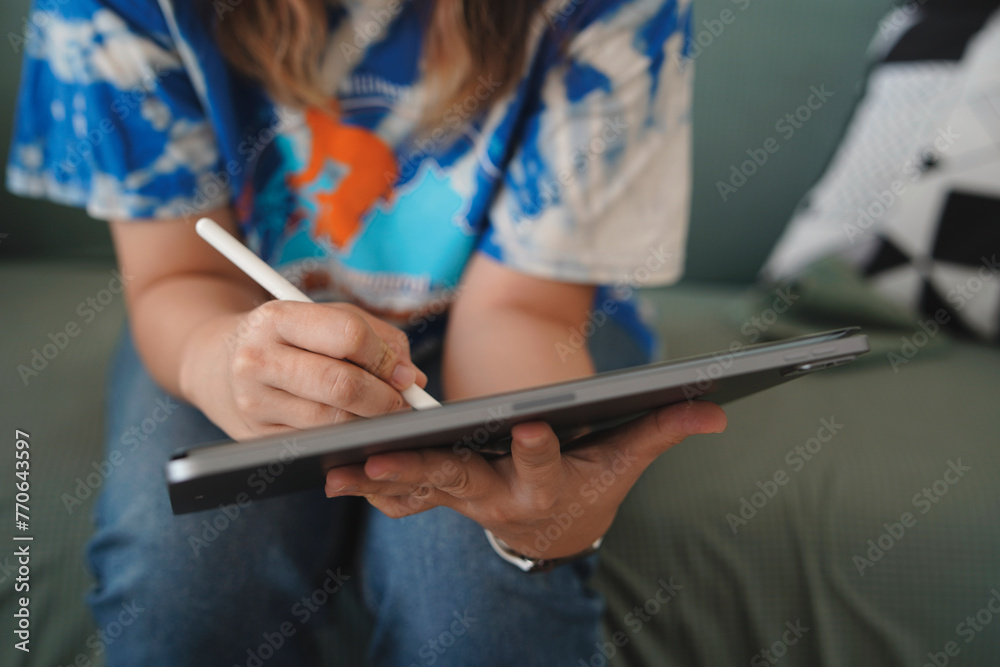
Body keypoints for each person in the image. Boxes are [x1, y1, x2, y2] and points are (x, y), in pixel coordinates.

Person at [7, 0, 726, 664]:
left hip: (513, 309)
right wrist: (215, 360)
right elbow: (178, 275)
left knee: (477, 598)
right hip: (229, 312)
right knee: (180, 585)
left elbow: (524, 307)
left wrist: (528, 501)